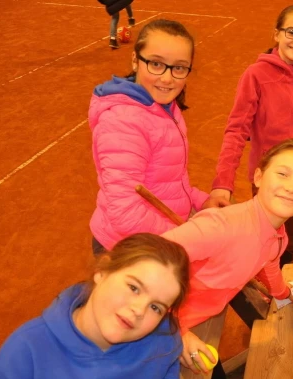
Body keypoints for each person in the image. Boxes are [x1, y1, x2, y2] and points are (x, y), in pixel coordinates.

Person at [0, 233, 190, 379]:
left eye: (156, 307)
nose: (139, 310)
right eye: (134, 288)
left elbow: (166, 365)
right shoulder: (25, 356)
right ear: (102, 271)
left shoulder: (160, 334)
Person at [162, 139, 293, 370]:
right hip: (156, 326)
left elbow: (269, 263)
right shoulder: (220, 226)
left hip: (192, 321)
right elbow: (145, 264)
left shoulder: (277, 235)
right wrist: (176, 330)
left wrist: (283, 293)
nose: (291, 187)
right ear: (258, 177)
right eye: (282, 174)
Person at [89, 19, 225, 255]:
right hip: (129, 252)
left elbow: (167, 180)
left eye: (179, 68)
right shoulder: (124, 122)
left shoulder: (163, 107)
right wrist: (182, 238)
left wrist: (201, 201)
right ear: (135, 60)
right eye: (156, 64)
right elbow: (125, 213)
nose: (167, 78)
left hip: (155, 240)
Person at [209, 5, 293, 264]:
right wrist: (223, 183)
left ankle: (278, 279)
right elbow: (236, 130)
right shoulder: (256, 75)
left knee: (287, 239)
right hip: (268, 177)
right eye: (291, 32)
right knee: (264, 242)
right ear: (277, 34)